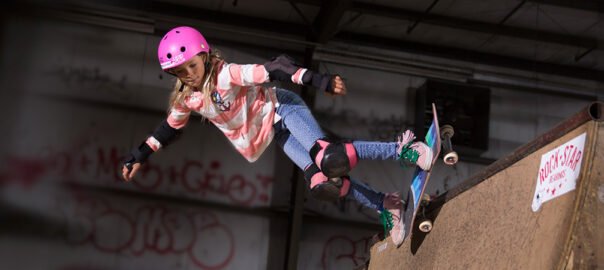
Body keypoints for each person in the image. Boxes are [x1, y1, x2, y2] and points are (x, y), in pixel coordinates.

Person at [121, 26, 433, 246]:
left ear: (204, 55)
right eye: (180, 71)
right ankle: (386, 204)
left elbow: (275, 69)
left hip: (284, 109)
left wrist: (320, 80)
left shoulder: (227, 74)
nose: (189, 74)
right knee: (323, 183)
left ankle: (403, 148)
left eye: (191, 65)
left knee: (330, 158)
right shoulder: (188, 99)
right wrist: (138, 156)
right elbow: (168, 129)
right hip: (275, 133)